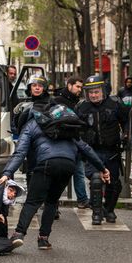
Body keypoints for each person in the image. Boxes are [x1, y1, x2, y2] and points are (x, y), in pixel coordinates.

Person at [0, 100, 111, 249]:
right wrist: (103, 169)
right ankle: (43, 239)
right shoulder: (61, 124)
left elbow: (20, 153)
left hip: (46, 164)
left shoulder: (31, 125)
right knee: (52, 202)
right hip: (68, 165)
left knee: (32, 201)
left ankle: (18, 234)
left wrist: (7, 173)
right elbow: (86, 148)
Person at [77, 75, 130, 225]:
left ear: (103, 91)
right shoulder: (82, 107)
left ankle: (109, 209)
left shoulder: (115, 104)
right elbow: (76, 127)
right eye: (91, 92)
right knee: (96, 180)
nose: (94, 95)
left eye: (96, 92)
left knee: (114, 184)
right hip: (91, 151)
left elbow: (126, 121)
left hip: (112, 151)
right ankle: (97, 213)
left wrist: (126, 135)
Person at [53, 76, 89, 208]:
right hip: (62, 144)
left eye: (81, 87)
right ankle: (53, 202)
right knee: (61, 175)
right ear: (69, 86)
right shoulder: (58, 101)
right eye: (77, 87)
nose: (80, 89)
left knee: (79, 173)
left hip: (75, 143)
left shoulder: (76, 101)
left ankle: (83, 199)